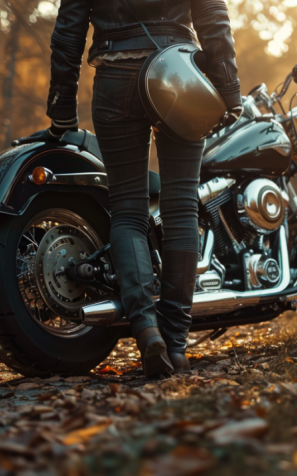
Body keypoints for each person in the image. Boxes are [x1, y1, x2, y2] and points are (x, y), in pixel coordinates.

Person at [43, 0, 241, 377]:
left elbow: (67, 31)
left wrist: (62, 109)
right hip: (178, 72)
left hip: (115, 76)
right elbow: (213, 16)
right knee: (181, 205)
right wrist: (229, 90)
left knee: (128, 210)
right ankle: (176, 345)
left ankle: (147, 330)